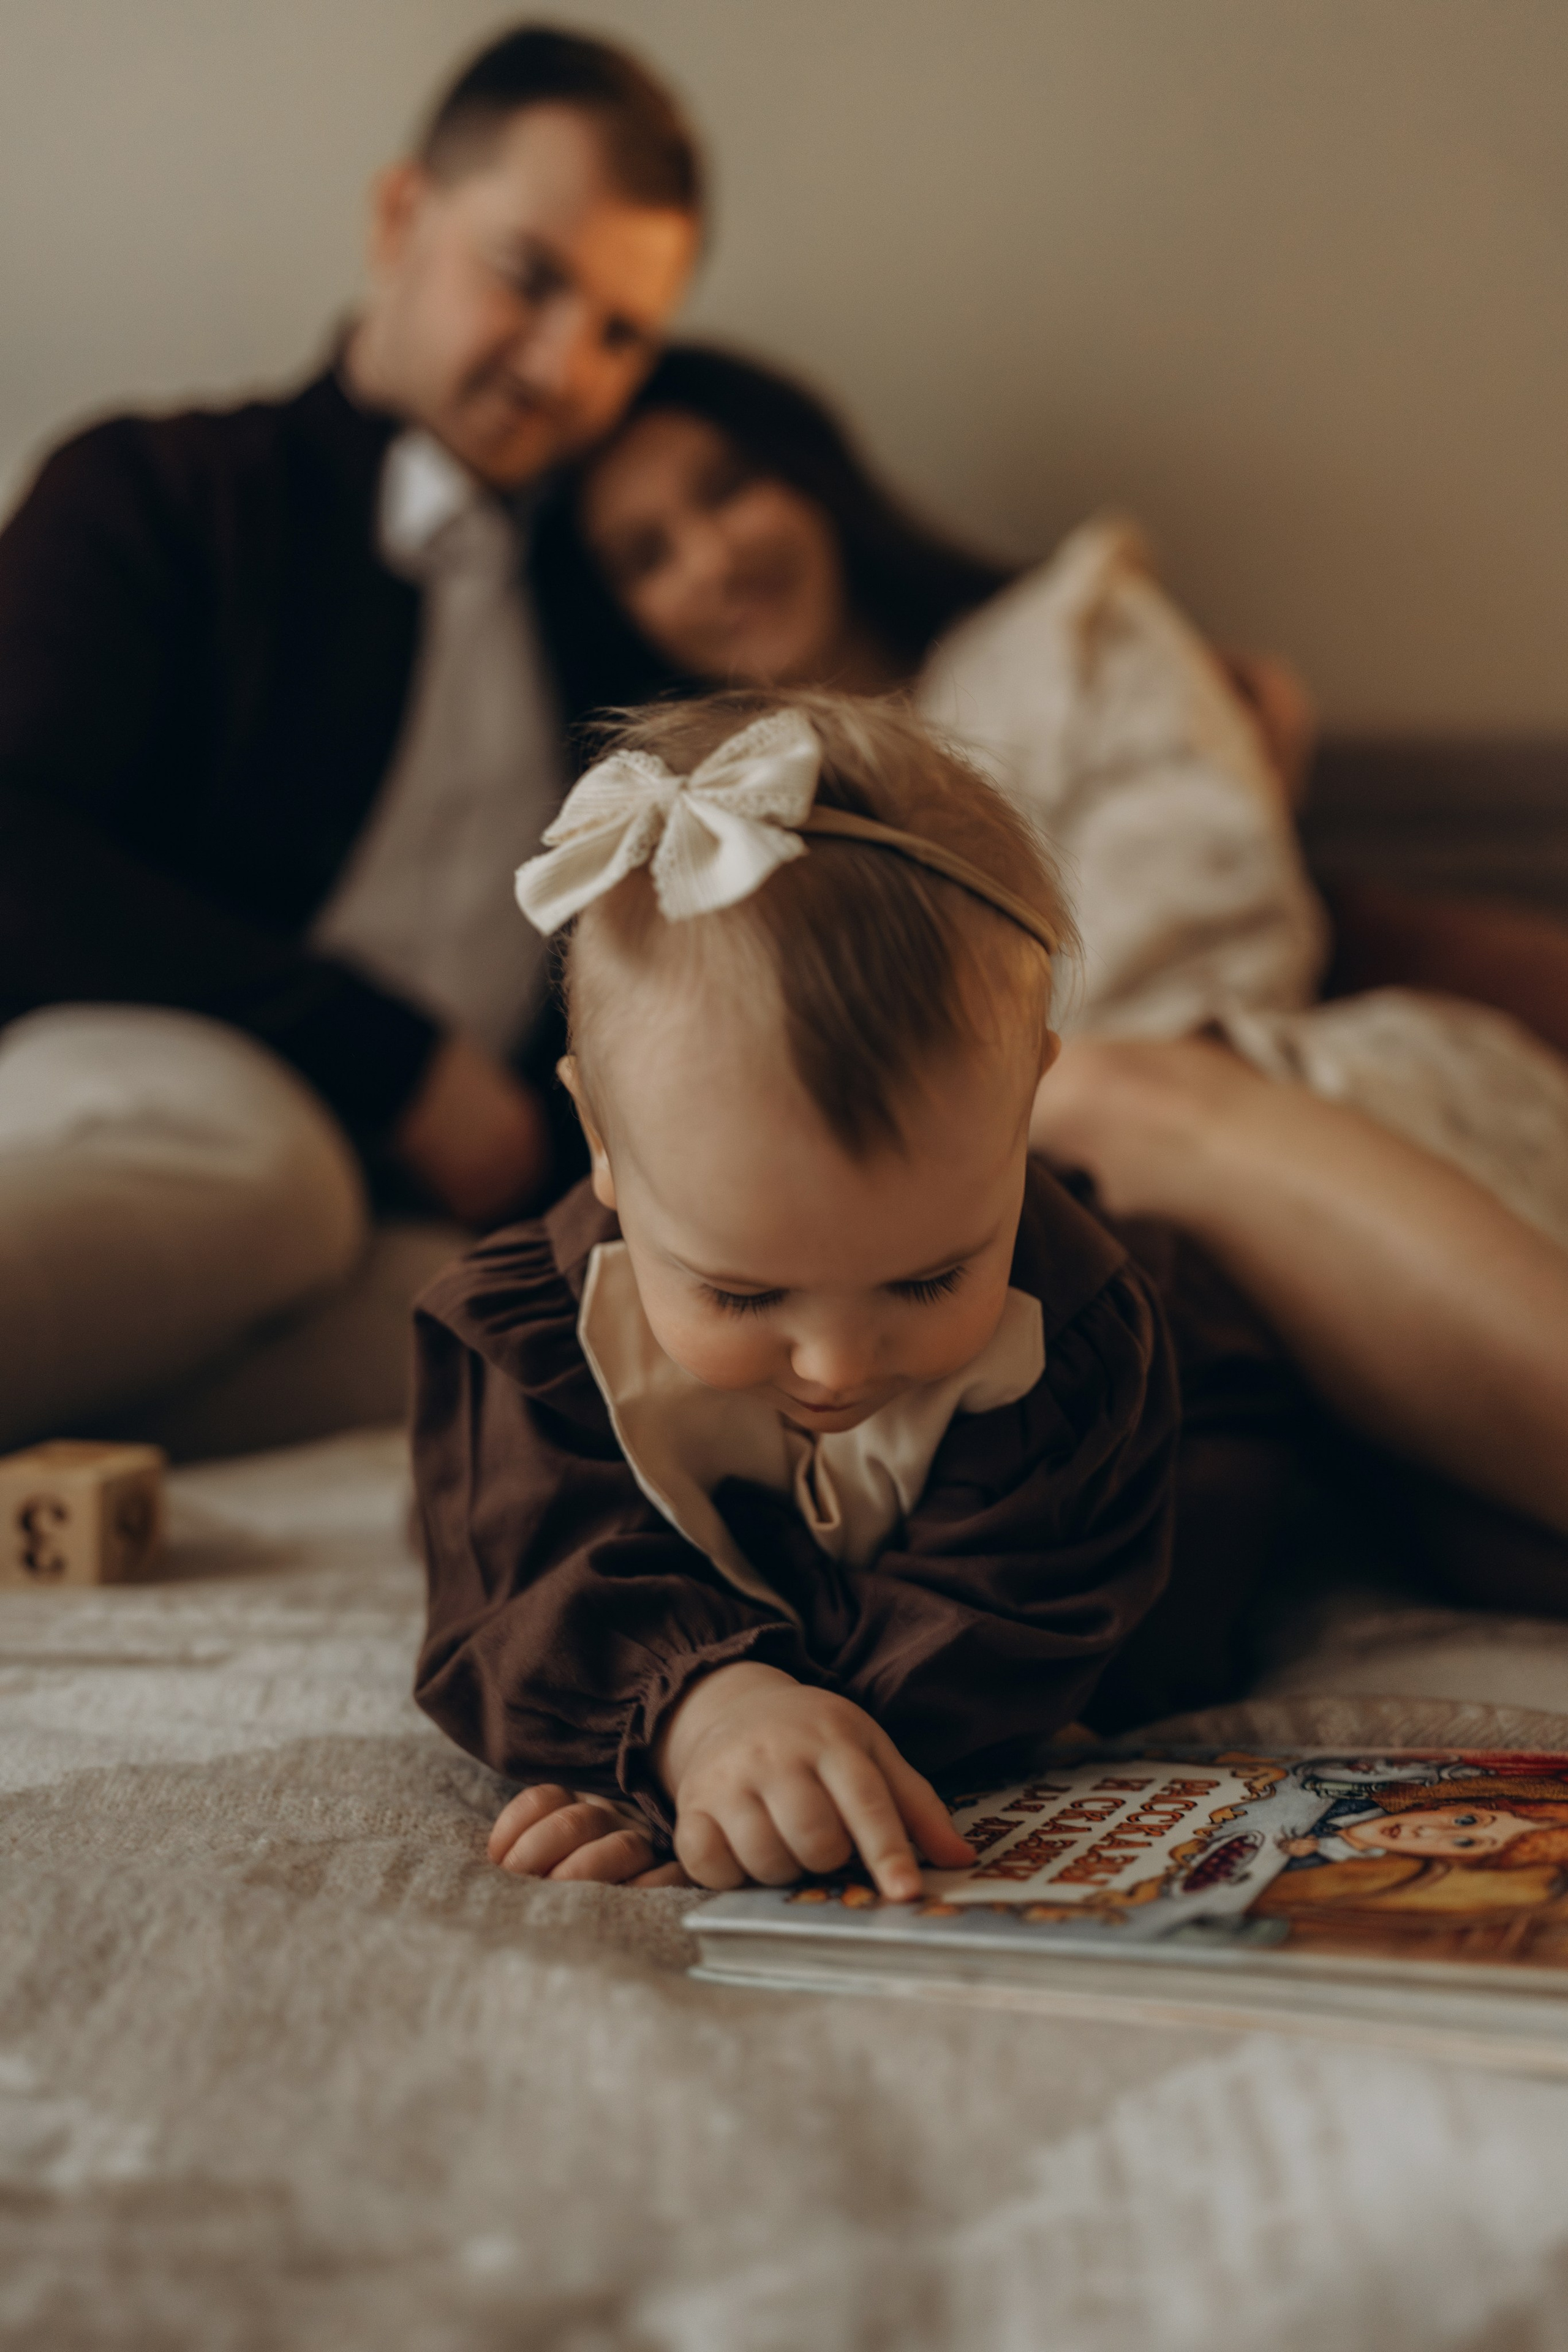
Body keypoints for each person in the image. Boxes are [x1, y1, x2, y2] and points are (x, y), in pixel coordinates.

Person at [527, 342, 1568, 1555]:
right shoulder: (680, 839)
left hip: (1239, 1077)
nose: (710, 558)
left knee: (1099, 1094)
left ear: (813, 479)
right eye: (646, 555)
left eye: (725, 490)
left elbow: (1215, 912)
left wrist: (970, 1078)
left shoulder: (1069, 630)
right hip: (1010, 1187)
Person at [412, 692, 1302, 1891]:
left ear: (1023, 1103)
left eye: (928, 1274)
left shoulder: (1077, 1339)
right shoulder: (530, 1338)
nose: (835, 1364)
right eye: (740, 1294)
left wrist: (744, 1770)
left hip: (1192, 1414)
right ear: (600, 1140)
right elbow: (520, 1575)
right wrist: (692, 1716)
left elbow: (997, 1626)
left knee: (1262, 1554)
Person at [0, 26, 703, 1450]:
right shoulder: (154, 489)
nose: (563, 364)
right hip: (136, 1109)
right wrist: (391, 1067)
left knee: (547, 1371)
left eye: (621, 333)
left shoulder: (605, 617)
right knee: (278, 1176)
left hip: (392, 1228)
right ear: (400, 217)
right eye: (529, 276)